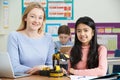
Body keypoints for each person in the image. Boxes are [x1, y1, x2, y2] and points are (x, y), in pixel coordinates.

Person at [7, 2, 55, 75]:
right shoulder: (14, 36)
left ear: (43, 21)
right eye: (32, 16)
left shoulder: (48, 38)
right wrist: (37, 70)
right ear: (25, 18)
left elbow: (52, 65)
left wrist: (42, 69)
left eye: (40, 18)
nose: (36, 21)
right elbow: (13, 66)